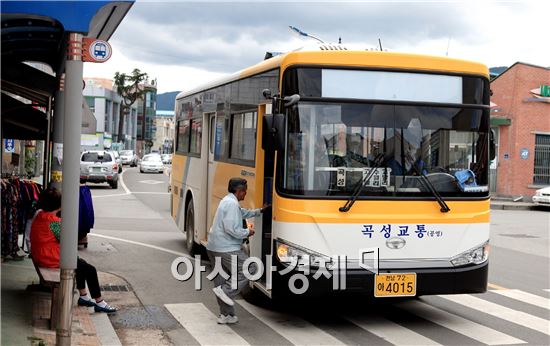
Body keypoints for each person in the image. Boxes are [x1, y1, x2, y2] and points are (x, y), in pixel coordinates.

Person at [30, 188, 117, 313]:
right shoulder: (54, 222)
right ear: (60, 206)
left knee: (79, 263)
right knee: (89, 269)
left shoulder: (39, 215)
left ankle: (84, 296)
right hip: (50, 259)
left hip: (40, 255)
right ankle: (100, 302)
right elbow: (68, 242)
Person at [206, 178, 269, 324]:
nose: (245, 195)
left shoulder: (227, 200)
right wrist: (247, 232)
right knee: (251, 267)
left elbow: (242, 213)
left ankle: (226, 315)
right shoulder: (232, 204)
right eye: (245, 192)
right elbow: (231, 229)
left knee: (220, 282)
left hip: (214, 247)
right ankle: (227, 291)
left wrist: (259, 211)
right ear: (239, 191)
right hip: (225, 248)